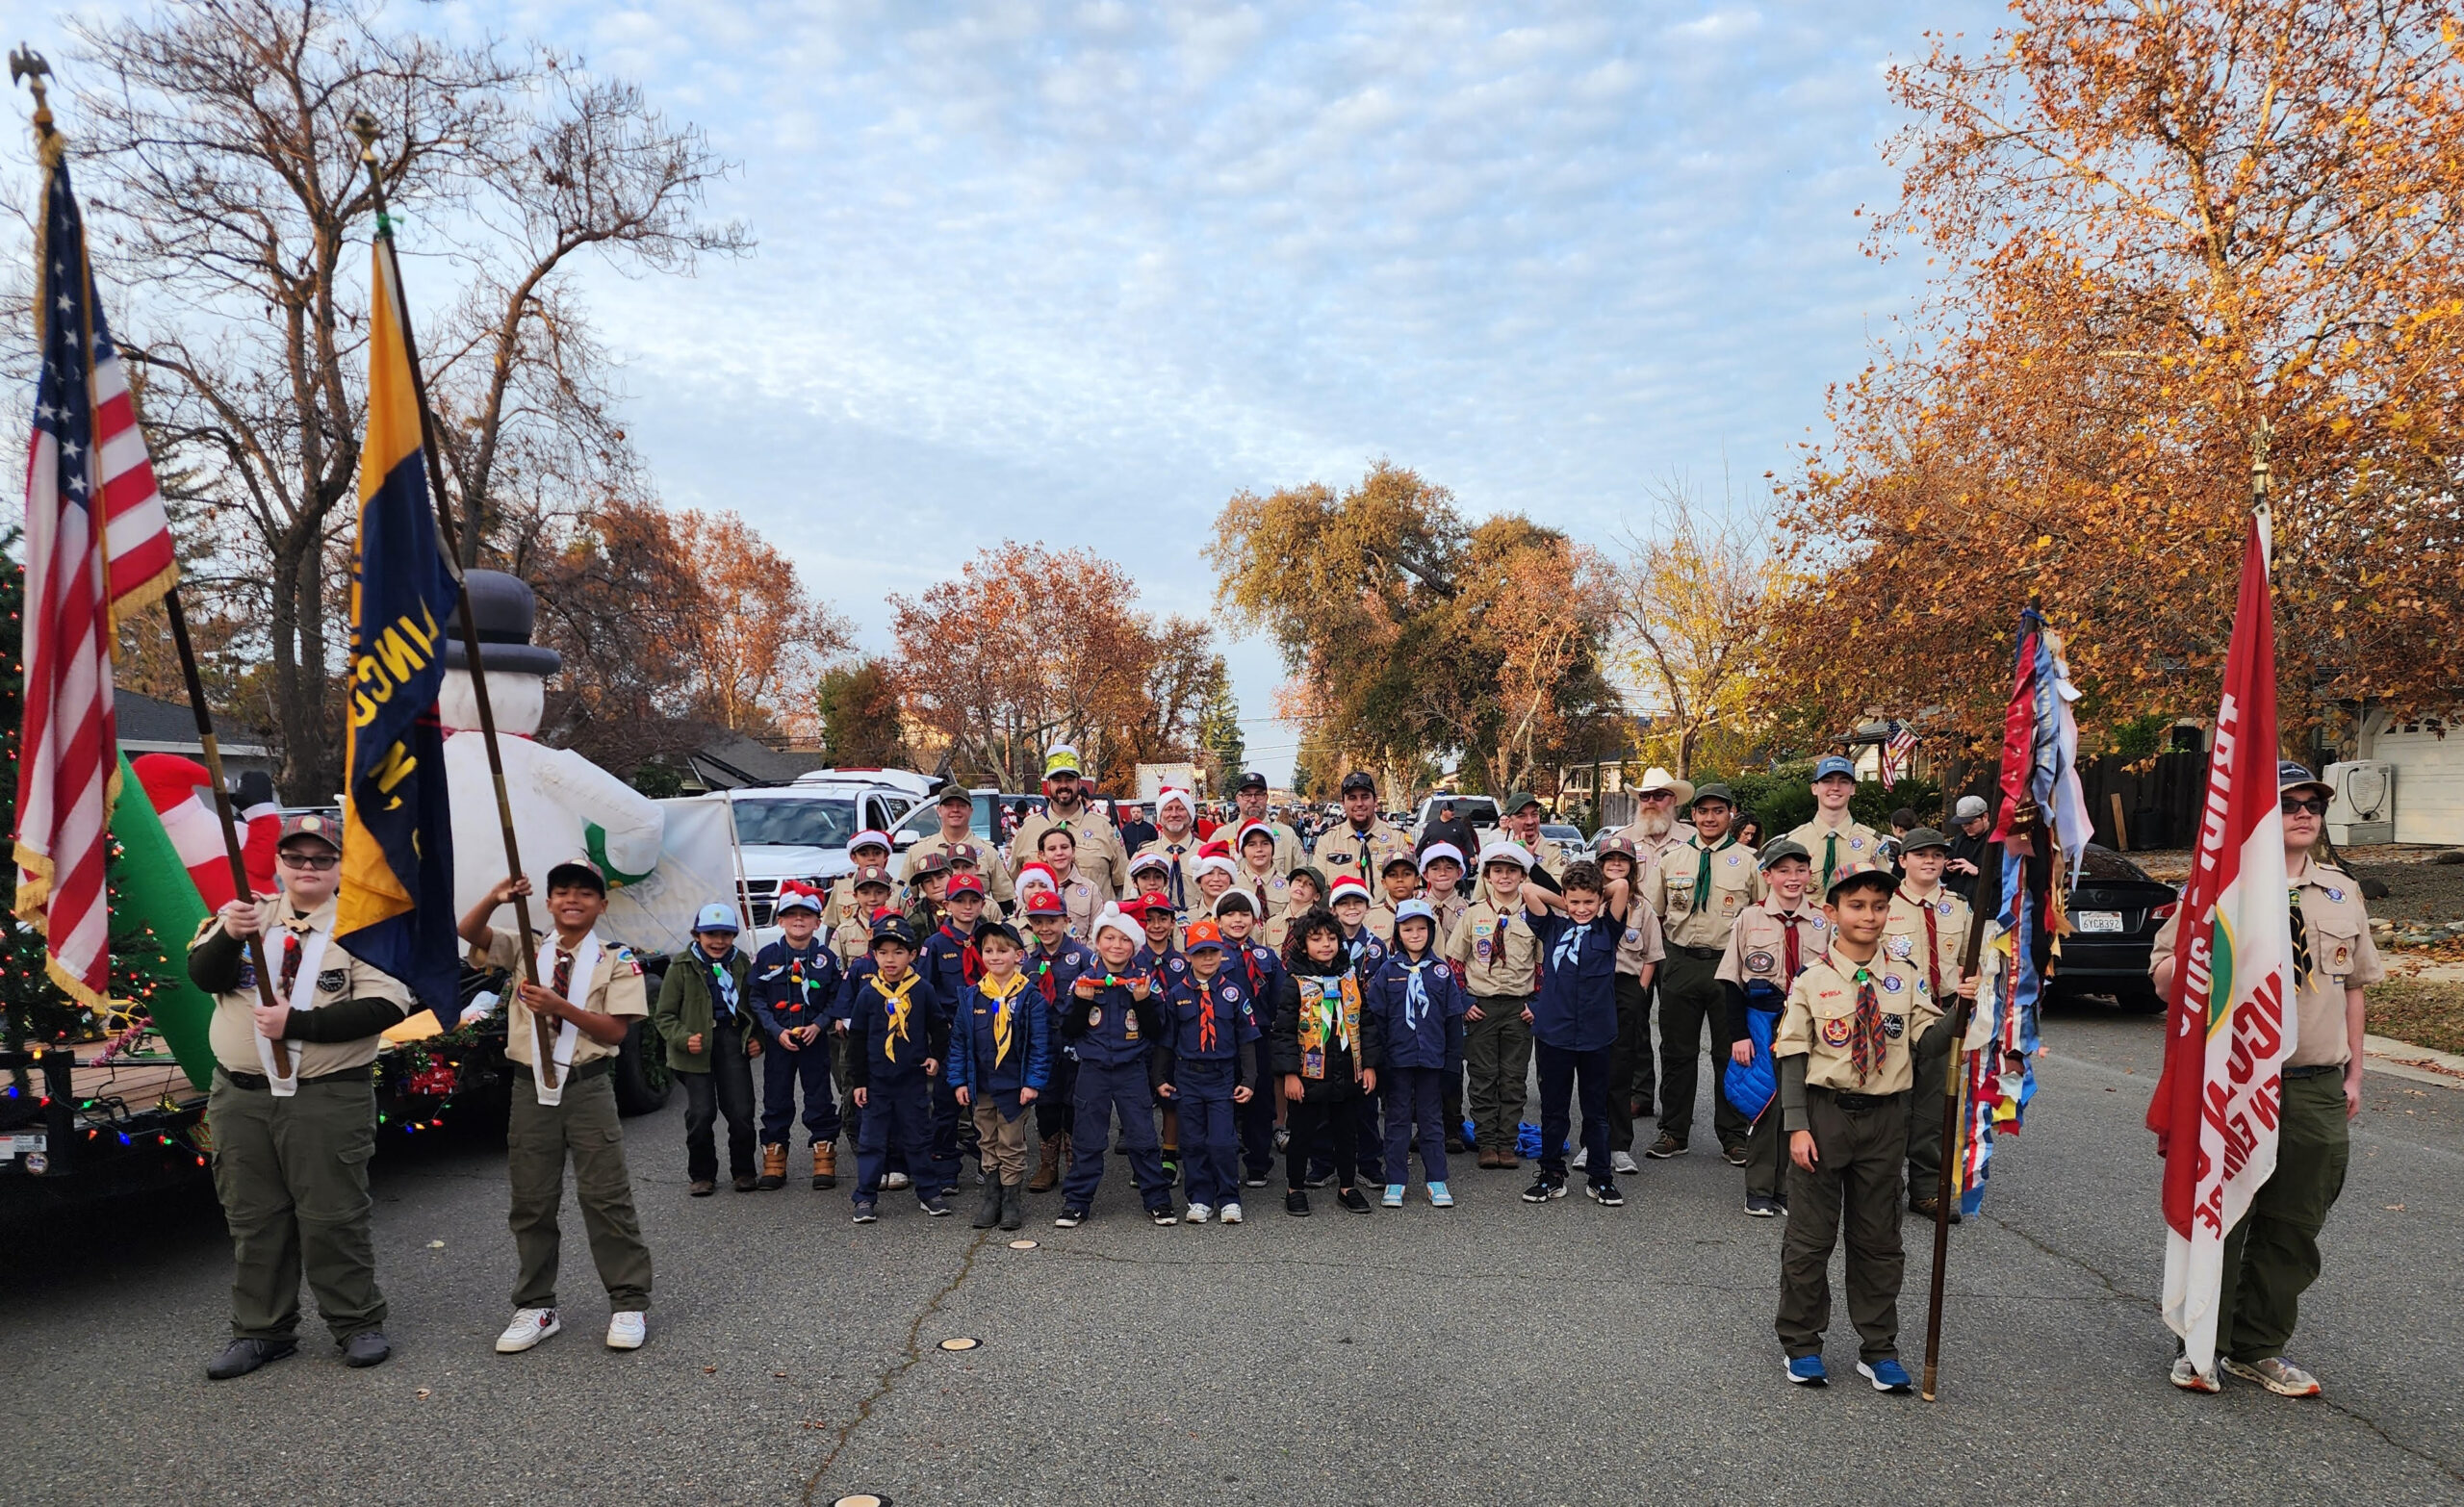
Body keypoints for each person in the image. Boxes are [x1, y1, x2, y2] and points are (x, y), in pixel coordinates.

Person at [2152, 762, 2379, 1397]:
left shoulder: (2341, 892)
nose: (2304, 811)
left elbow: (2355, 989)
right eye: (2289, 802)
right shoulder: (2221, 888)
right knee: (2225, 1215)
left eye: (2313, 803)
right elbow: (2166, 979)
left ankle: (2259, 1346)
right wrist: (2196, 950)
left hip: (2314, 1083)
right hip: (2236, 1080)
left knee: (2294, 1223)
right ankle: (2202, 1346)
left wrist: (2356, 1074)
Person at [190, 812, 411, 1378]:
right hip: (241, 1097)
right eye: (296, 858)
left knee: (333, 1215)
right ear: (279, 863)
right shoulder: (242, 915)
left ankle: (356, 1322)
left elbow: (387, 1008)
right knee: (253, 1217)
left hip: (324, 1096)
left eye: (321, 858)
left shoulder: (366, 926)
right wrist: (228, 938)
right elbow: (205, 976)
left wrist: (299, 1023)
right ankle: (262, 1331)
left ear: (341, 866)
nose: (307, 868)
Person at [460, 860, 654, 1355]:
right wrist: (496, 896)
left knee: (606, 1197)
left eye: (585, 894)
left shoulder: (616, 958)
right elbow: (469, 932)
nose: (573, 900)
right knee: (532, 1200)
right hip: (530, 1088)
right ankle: (536, 1305)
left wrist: (560, 1007)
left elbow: (614, 1031)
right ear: (547, 902)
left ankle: (628, 1300)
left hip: (587, 1087)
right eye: (562, 891)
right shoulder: (527, 945)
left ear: (601, 905)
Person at [1772, 860, 1938, 1392]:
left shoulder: (1905, 977)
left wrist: (1968, 1009)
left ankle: (1878, 1348)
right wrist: (1797, 1126)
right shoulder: (1812, 981)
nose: (1870, 916)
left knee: (1879, 1240)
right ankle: (1802, 1343)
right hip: (1824, 1117)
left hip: (1886, 1119)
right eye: (1858, 905)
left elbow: (1930, 1044)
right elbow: (1793, 1055)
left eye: (1880, 906)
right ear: (1832, 911)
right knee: (1809, 1239)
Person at [1644, 782, 1763, 1164]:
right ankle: (1674, 1131)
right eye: (1702, 811)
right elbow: (1656, 913)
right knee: (1677, 1051)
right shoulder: (1673, 859)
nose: (1709, 818)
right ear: (1692, 815)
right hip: (1680, 960)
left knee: (1731, 1052)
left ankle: (1732, 1135)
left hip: (1729, 965)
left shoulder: (1749, 861)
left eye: (1717, 811)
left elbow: (1761, 915)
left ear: (1731, 813)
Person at [1521, 858, 1644, 1206]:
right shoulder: (1553, 928)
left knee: (1595, 1110)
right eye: (1574, 902)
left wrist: (1597, 897)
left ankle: (1600, 1177)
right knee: (1554, 1109)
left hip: (1595, 1033)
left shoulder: (1608, 928)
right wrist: (1567, 901)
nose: (1581, 909)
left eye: (1588, 902)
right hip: (1555, 1033)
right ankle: (1551, 1174)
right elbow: (1529, 889)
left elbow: (1620, 886)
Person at [1717, 839, 1829, 1216]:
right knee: (1766, 1106)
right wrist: (1738, 1034)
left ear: (1809, 875)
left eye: (1800, 870)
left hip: (1808, 1022)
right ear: (1767, 876)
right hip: (1762, 1021)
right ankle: (1760, 1189)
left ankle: (1788, 1188)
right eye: (1783, 870)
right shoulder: (1749, 918)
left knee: (1800, 1106)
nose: (1792, 878)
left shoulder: (1822, 921)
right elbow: (1731, 980)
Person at [1056, 904, 1179, 1227]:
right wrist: (1082, 1003)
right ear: (1098, 942)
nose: (1116, 945)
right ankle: (1077, 1201)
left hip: (1131, 1069)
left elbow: (1156, 1031)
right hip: (1093, 1070)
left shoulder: (1143, 981)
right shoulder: (1083, 980)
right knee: (1087, 1139)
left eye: (1124, 940)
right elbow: (1068, 1029)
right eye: (1109, 938)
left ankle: (1157, 1199)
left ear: (1134, 946)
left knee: (1142, 1138)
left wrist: (1143, 1003)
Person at [1886, 829, 1975, 1219]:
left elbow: (1975, 962)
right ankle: (1886, 1188)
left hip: (1944, 1012)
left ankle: (1927, 1190)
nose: (1929, 861)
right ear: (1902, 860)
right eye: (1920, 854)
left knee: (1934, 1108)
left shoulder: (1958, 906)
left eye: (1937, 855)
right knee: (1891, 1105)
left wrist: (1972, 1009)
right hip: (1896, 1015)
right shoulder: (1884, 905)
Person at [844, 913, 953, 1224]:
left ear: (913, 954)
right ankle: (865, 1196)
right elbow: (857, 1041)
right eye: (883, 953)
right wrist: (859, 1081)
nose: (890, 960)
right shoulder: (868, 993)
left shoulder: (922, 989)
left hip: (912, 1079)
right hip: (877, 1082)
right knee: (872, 1141)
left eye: (898, 952)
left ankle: (929, 1192)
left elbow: (938, 1026)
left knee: (917, 1137)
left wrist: (936, 1056)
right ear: (873, 955)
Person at [1274, 907, 1382, 1216]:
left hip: (1347, 1070)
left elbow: (1366, 1021)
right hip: (1308, 1073)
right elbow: (1282, 1032)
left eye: (1332, 938)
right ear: (1303, 945)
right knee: (1303, 1133)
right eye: (1317, 939)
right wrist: (1289, 1075)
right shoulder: (1295, 982)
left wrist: (1370, 1065)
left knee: (1347, 1131)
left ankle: (1347, 1185)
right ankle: (1294, 1187)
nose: (1326, 944)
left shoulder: (1349, 978)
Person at [948, 918, 1053, 1231]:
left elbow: (1040, 1044)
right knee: (986, 1139)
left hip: (1013, 1086)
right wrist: (958, 1081)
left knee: (1010, 1142)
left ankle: (1010, 1200)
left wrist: (1033, 1083)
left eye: (1003, 950)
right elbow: (959, 1043)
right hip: (981, 1085)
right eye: (988, 950)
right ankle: (990, 1197)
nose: (995, 957)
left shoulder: (1030, 997)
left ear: (1018, 955)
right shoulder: (971, 997)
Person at [1157, 919, 1263, 1225]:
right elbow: (1166, 1041)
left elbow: (1247, 1040)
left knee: (1222, 1141)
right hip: (1187, 1075)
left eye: (1213, 952)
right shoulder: (1176, 995)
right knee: (1192, 1141)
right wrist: (1160, 1078)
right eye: (1199, 952)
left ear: (1221, 954)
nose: (1207, 959)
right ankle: (1200, 1196)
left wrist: (1249, 1079)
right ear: (1188, 955)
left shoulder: (1233, 993)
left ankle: (1229, 1196)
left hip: (1221, 1076)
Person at [652, 903, 761, 1196]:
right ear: (696, 934)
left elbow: (754, 1006)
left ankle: (744, 1170)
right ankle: (701, 1173)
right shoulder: (682, 966)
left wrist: (757, 1037)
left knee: (740, 1111)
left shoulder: (741, 963)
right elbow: (663, 1015)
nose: (719, 941)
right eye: (710, 934)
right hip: (695, 1046)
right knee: (701, 1114)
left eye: (726, 934)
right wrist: (682, 1037)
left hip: (731, 1040)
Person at [1368, 899, 1467, 1208]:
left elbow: (1453, 1019)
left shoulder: (1441, 972)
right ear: (1398, 932)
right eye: (1407, 928)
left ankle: (1436, 1179)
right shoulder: (1387, 971)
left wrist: (1452, 1063)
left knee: (1431, 1120)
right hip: (1396, 1060)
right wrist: (1378, 1061)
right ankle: (1395, 1180)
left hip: (1432, 1060)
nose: (1415, 934)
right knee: (1396, 1121)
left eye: (1421, 928)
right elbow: (1376, 1020)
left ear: (1430, 931)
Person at [1449, 841, 1539, 1170]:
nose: (1504, 877)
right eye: (1497, 871)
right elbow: (1454, 961)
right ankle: (1487, 1141)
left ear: (1523, 875)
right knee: (1483, 1076)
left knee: (1514, 1079)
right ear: (1486, 875)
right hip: (1482, 1007)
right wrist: (1463, 1001)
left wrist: (1537, 1004)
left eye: (1512, 871)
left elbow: (1543, 966)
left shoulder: (1534, 914)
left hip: (1519, 1008)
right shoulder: (1473, 915)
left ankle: (1507, 1141)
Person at [748, 881, 842, 1191]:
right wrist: (775, 1031)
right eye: (791, 915)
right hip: (781, 1041)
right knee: (776, 1098)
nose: (798, 920)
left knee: (819, 1098)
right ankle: (774, 1160)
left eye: (806, 915)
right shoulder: (767, 957)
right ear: (780, 920)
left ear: (817, 922)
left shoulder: (827, 959)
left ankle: (824, 1157)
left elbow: (835, 999)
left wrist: (818, 1025)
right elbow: (757, 998)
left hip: (814, 1040)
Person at [1592, 835, 1665, 1174]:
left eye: (1622, 860)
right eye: (1610, 860)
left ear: (1631, 866)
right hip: (1593, 987)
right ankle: (1590, 1143)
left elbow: (1651, 954)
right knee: (1593, 1069)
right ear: (1600, 865)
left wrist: (1640, 989)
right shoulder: (1588, 902)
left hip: (1626, 985)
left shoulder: (1642, 907)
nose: (1616, 865)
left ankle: (1620, 1145)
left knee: (1621, 1068)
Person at [1211, 890, 1290, 1190]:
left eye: (1244, 914)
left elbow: (1280, 998)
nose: (1238, 920)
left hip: (1258, 1039)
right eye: (1230, 914)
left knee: (1259, 1103)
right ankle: (1224, 1162)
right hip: (1221, 1040)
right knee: (1224, 1102)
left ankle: (1258, 1164)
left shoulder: (1265, 956)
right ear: (1218, 920)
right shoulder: (1212, 953)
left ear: (1255, 919)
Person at [1021, 889, 1094, 1193]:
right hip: (1043, 1044)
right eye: (1037, 922)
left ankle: (1074, 1163)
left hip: (1075, 1039)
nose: (1045, 928)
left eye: (1051, 921)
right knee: (1047, 1104)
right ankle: (1047, 1164)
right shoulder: (1029, 964)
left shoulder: (1083, 957)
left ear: (1065, 919)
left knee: (1075, 1102)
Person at [1009, 745, 1126, 902]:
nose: (1063, 785)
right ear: (1048, 785)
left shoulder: (1104, 827)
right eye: (1057, 780)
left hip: (1092, 923)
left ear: (1079, 783)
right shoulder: (1028, 829)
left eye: (1069, 780)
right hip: (1041, 924)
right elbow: (1014, 882)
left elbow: (1122, 884)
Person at [1785, 754, 1882, 900]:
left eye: (1843, 782)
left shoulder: (1873, 844)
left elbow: (1884, 899)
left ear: (1853, 789)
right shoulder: (1793, 842)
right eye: (1827, 781)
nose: (1835, 787)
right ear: (1814, 788)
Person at [904, 785, 1014, 907]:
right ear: (939, 810)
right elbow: (907, 902)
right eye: (949, 805)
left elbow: (1005, 901)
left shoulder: (989, 852)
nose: (955, 810)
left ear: (971, 811)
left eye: (961, 805)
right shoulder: (918, 851)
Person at [1313, 771, 1411, 896]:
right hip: (1340, 914)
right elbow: (1318, 888)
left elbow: (1409, 887)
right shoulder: (1327, 840)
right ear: (1343, 803)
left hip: (1386, 914)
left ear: (1375, 800)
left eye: (1365, 797)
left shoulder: (1398, 839)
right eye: (1352, 798)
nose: (1359, 803)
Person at [1137, 787, 1206, 912]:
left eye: (1180, 809)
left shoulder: (1207, 854)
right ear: (1160, 815)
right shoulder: (1143, 855)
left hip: (1198, 926)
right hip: (1155, 926)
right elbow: (1132, 901)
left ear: (1190, 815)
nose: (1174, 814)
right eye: (1168, 809)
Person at [1033, 826, 1106, 941]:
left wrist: (1083, 957)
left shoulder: (1090, 889)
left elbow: (1097, 933)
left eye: (1064, 847)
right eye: (1052, 849)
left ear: (1073, 851)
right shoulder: (1033, 889)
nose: (1059, 853)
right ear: (1042, 855)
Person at [1231, 771, 1307, 874]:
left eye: (1259, 794)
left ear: (1266, 798)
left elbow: (1302, 876)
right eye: (1247, 795)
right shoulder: (1221, 836)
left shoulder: (1288, 835)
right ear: (1238, 799)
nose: (1253, 800)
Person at [831, 864, 897, 965]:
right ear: (855, 896)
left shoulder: (898, 928)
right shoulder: (844, 932)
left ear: (888, 895)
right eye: (865, 893)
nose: (872, 899)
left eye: (879, 893)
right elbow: (835, 971)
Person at [1501, 791, 1574, 880]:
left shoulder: (1556, 852)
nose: (1530, 821)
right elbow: (1481, 893)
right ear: (1509, 823)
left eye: (1534, 814)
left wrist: (1529, 862)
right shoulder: (1499, 855)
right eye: (1521, 816)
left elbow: (1560, 890)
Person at [1942, 795, 1993, 903]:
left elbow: (2006, 877)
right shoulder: (1959, 839)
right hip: (1957, 903)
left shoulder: (1997, 841)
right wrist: (1947, 869)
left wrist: (1978, 871)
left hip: (1986, 905)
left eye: (1971, 823)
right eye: (1962, 824)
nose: (1966, 827)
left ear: (1985, 817)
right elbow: (1945, 878)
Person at [1265, 864, 1325, 951]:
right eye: (1298, 880)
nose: (1301, 885)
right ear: (1289, 886)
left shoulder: (1321, 924)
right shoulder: (1272, 923)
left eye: (1309, 884)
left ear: (1317, 896)